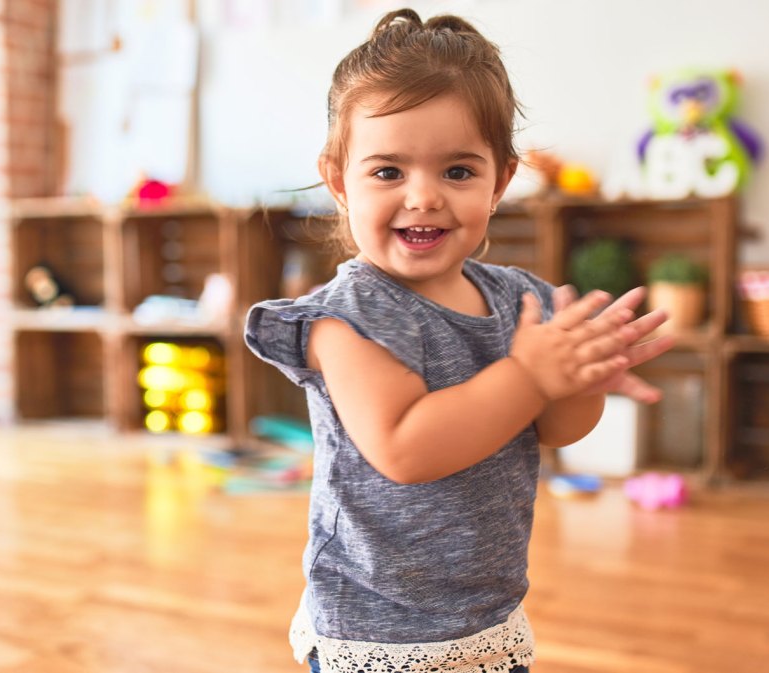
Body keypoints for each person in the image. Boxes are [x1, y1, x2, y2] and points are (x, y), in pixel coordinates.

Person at [245, 9, 674, 673]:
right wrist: (529, 376)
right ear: (338, 181)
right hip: (377, 624)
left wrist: (578, 382)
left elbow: (554, 428)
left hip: (485, 613)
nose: (423, 196)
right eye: (388, 171)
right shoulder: (348, 315)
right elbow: (405, 448)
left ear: (500, 182)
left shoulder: (518, 299)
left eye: (458, 172)